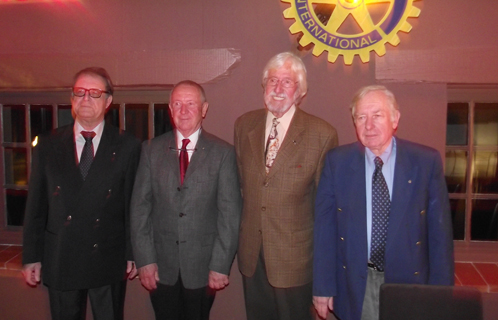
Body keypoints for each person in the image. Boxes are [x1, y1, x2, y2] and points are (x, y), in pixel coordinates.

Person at [313, 85, 454, 320]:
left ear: (395, 118)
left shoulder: (425, 162)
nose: (369, 126)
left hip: (410, 283)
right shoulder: (337, 162)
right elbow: (324, 230)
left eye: (377, 115)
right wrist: (323, 286)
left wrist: (442, 294)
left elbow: (440, 236)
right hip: (356, 281)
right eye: (361, 117)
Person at [22, 67, 141, 320]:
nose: (86, 98)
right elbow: (35, 206)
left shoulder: (128, 145)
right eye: (80, 92)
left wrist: (133, 253)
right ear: (72, 99)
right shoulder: (47, 143)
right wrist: (31, 256)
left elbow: (133, 205)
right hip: (61, 254)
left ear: (108, 101)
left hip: (108, 255)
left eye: (94, 93)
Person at [234, 52, 338, 320]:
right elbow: (242, 188)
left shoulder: (322, 134)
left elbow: (325, 211)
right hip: (251, 256)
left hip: (295, 261)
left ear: (300, 91)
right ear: (264, 86)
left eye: (287, 82)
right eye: (272, 81)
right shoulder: (244, 125)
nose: (278, 89)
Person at [130, 80, 242, 320]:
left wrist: (220, 265)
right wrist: (145, 260)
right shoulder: (151, 150)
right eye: (177, 104)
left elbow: (229, 216)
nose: (183, 111)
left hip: (203, 268)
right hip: (161, 267)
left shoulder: (223, 153)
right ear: (170, 110)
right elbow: (140, 210)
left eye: (191, 104)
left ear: (204, 109)